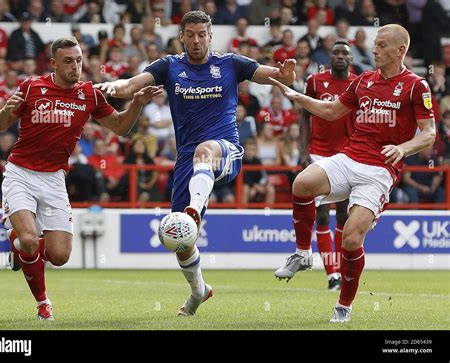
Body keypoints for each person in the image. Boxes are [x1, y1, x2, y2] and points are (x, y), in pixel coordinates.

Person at [95, 10, 295, 316]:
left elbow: (275, 76)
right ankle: (199, 290)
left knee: (204, 151)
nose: (197, 40)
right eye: (191, 35)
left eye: (202, 34)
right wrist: (114, 87)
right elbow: (130, 85)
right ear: (182, 37)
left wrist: (285, 74)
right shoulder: (169, 66)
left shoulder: (230, 63)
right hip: (187, 163)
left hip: (225, 150)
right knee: (181, 240)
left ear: (210, 35)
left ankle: (193, 211)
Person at [270, 24, 435, 322]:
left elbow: (429, 134)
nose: (374, 50)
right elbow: (332, 111)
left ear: (401, 50)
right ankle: (303, 253)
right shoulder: (363, 82)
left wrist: (403, 148)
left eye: (382, 45)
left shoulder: (415, 85)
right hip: (349, 157)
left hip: (379, 172)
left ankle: (344, 305)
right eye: (375, 44)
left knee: (350, 239)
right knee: (302, 183)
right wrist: (296, 96)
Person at [0, 36, 162, 320]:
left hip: (55, 179)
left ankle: (18, 244)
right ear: (54, 64)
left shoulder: (90, 95)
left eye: (79, 60)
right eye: (68, 61)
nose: (75, 66)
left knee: (59, 256)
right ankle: (42, 303)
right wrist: (6, 111)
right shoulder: (32, 87)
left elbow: (120, 127)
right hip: (20, 173)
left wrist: (137, 104)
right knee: (31, 240)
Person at [300, 39, 357, 291]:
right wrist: (303, 151)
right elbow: (304, 116)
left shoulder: (358, 83)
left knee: (344, 214)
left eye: (345, 53)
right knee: (322, 213)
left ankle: (343, 269)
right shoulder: (314, 81)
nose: (340, 56)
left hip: (347, 155)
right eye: (336, 52)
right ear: (330, 57)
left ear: (351, 58)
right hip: (318, 155)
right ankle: (332, 274)